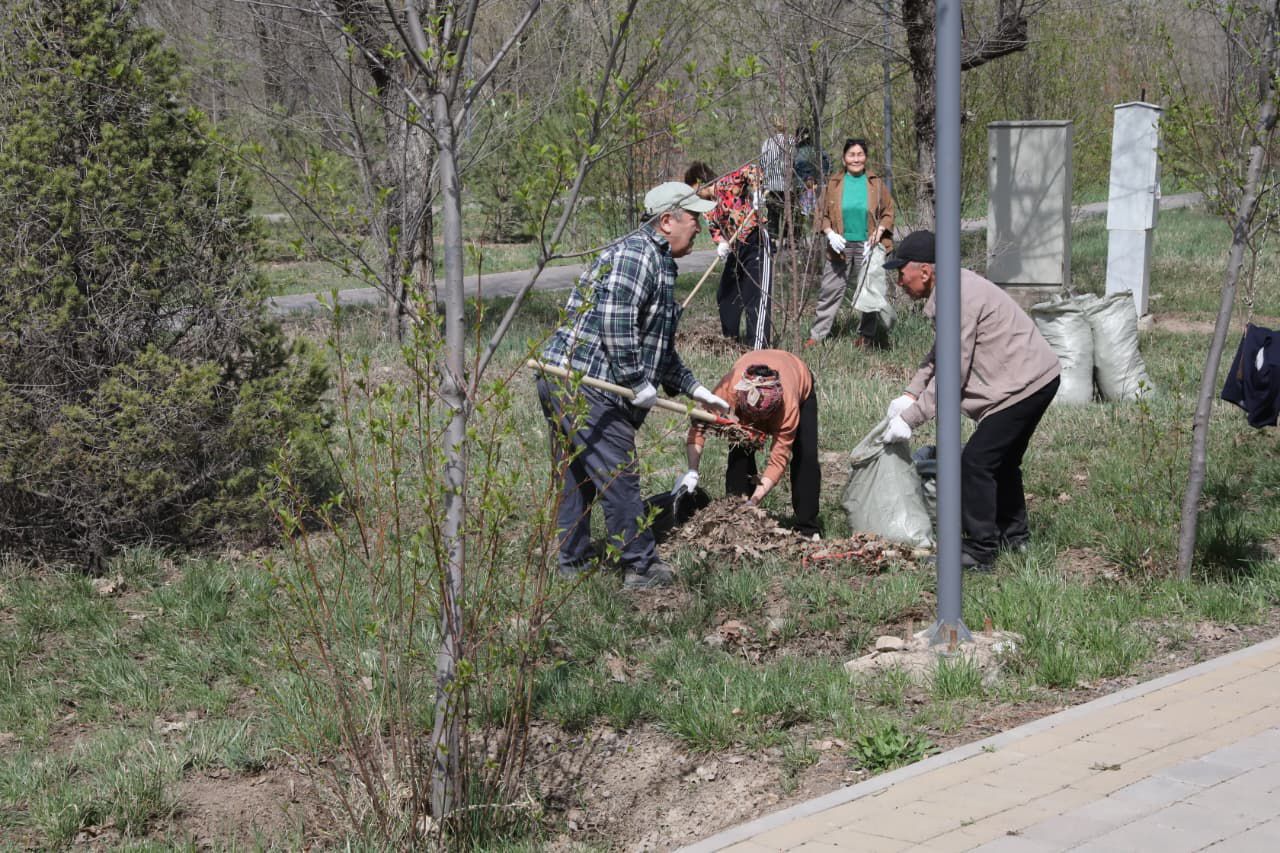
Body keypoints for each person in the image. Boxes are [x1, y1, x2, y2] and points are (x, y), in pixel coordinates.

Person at [537, 182, 731, 589]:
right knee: (618, 475)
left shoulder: (656, 260)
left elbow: (656, 346)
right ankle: (641, 566)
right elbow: (616, 323)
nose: (699, 227)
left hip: (570, 379)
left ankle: (573, 560)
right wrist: (636, 381)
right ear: (667, 221)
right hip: (584, 383)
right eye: (693, 218)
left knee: (578, 474)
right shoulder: (636, 256)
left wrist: (697, 390)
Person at [881, 230, 1062, 571]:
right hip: (1034, 378)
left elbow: (952, 371)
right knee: (1002, 462)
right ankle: (1015, 539)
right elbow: (940, 353)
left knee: (976, 464)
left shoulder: (957, 298)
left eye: (901, 273)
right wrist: (910, 393)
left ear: (925, 271)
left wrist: (912, 418)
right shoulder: (953, 288)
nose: (899, 282)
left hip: (1023, 386)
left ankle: (980, 549)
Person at [673, 349, 821, 538]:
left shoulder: (788, 406)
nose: (757, 422)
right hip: (743, 400)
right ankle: (736, 514)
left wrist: (755, 500)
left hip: (797, 375)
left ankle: (807, 529)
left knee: (806, 456)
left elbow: (778, 460)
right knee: (739, 448)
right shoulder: (728, 390)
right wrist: (692, 471)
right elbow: (699, 427)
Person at [807, 138, 895, 349]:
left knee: (869, 291)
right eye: (851, 155)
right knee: (830, 290)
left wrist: (878, 234)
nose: (856, 159)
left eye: (860, 154)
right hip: (840, 245)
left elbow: (888, 211)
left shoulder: (875, 183)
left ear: (865, 157)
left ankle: (867, 337)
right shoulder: (834, 184)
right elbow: (820, 213)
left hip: (868, 246)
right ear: (844, 158)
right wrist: (829, 233)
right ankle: (817, 336)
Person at [684, 161, 773, 349]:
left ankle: (757, 348)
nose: (692, 195)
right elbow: (715, 229)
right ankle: (730, 341)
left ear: (699, 183)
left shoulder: (726, 183)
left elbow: (752, 170)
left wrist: (757, 192)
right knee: (726, 295)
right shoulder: (707, 207)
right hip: (735, 247)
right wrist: (721, 243)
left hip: (755, 239)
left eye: (692, 189)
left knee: (755, 296)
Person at [759, 117, 794, 244]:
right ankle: (787, 241)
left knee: (772, 214)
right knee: (788, 214)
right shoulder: (791, 141)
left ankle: (773, 241)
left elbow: (762, 163)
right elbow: (794, 161)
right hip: (787, 185)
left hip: (771, 185)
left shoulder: (767, 143)